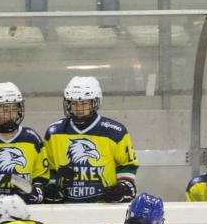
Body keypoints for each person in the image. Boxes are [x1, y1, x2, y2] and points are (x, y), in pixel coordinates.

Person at [43, 76, 139, 204]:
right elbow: (49, 168)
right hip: (66, 207)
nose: (79, 109)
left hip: (103, 207)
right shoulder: (54, 132)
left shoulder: (115, 131)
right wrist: (52, 187)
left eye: (84, 103)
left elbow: (127, 165)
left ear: (95, 102)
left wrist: (123, 187)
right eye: (74, 103)